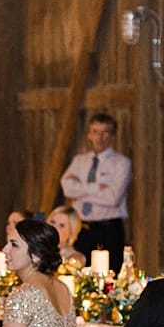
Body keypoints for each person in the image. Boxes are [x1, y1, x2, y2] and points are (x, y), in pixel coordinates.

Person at [60, 113, 131, 266]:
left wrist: (80, 189)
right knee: (77, 269)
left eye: (105, 132)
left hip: (108, 229)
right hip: (81, 228)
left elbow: (112, 198)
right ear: (89, 135)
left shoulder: (121, 163)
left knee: (109, 275)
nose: (99, 137)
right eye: (95, 132)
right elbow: (67, 189)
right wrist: (96, 188)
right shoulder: (80, 161)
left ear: (112, 135)